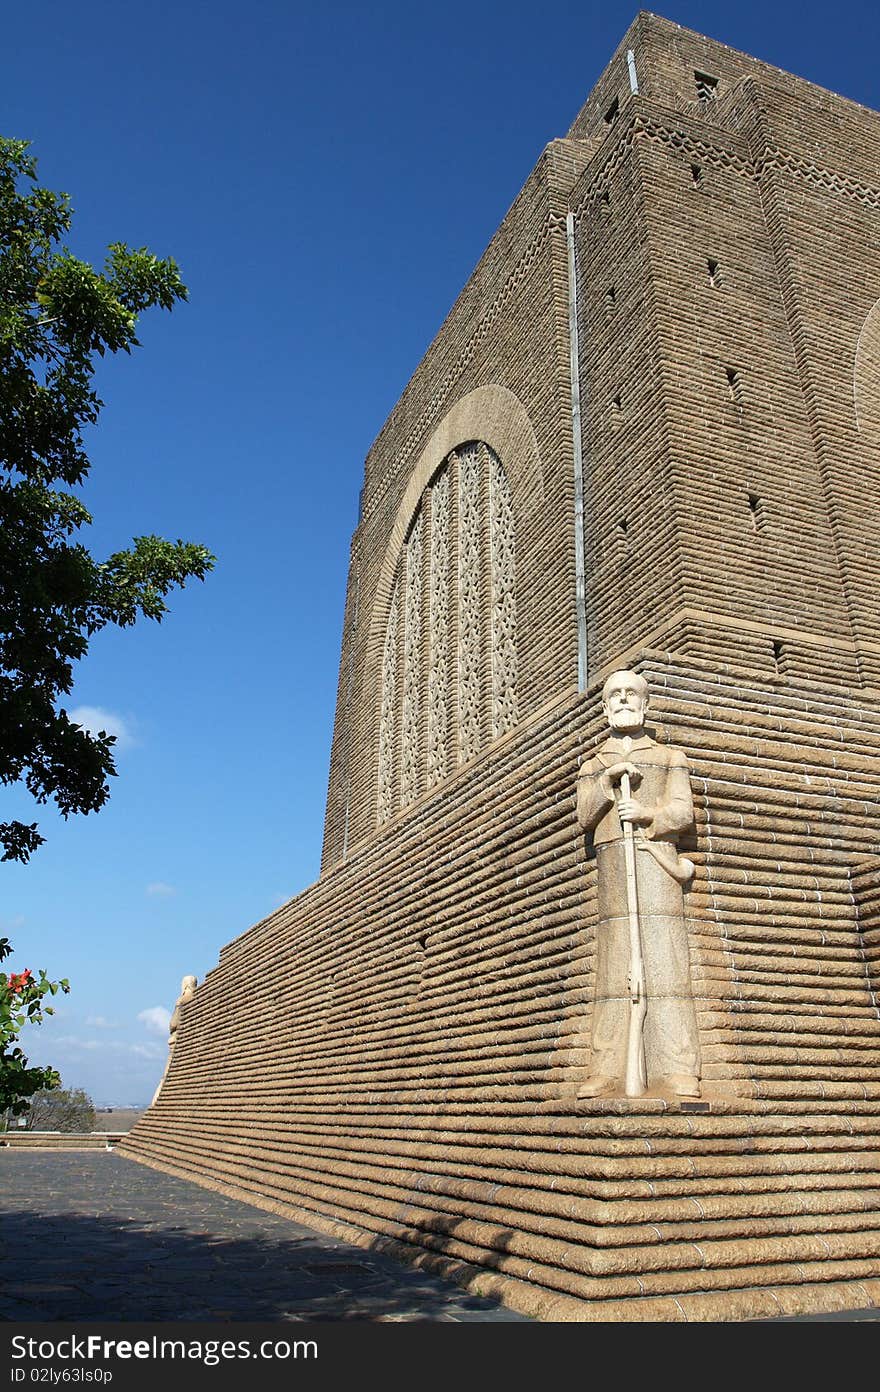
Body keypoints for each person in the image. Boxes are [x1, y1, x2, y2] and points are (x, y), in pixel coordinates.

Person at [576, 670, 701, 1099]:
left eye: (632, 694)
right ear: (605, 707)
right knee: (616, 961)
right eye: (616, 695)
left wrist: (648, 815)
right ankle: (606, 1064)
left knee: (665, 953)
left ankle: (679, 1064)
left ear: (645, 704)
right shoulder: (594, 763)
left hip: (653, 857)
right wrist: (608, 785)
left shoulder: (669, 757)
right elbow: (583, 815)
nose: (624, 700)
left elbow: (682, 811)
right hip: (613, 858)